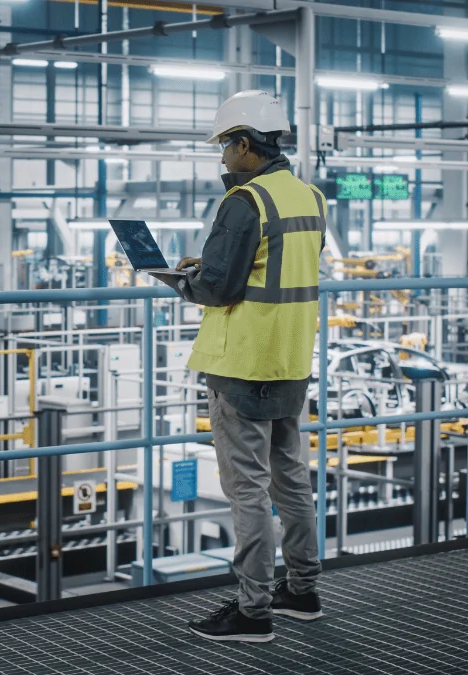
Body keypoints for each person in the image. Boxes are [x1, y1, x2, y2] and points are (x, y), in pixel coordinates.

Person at [157, 90, 326, 643]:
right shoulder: (308, 197)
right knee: (291, 478)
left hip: (244, 361)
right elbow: (274, 264)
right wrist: (213, 264)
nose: (222, 156)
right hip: (291, 357)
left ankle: (253, 613)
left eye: (225, 145)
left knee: (247, 490)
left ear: (247, 145)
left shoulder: (244, 201)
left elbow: (219, 288)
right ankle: (302, 591)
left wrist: (186, 280)